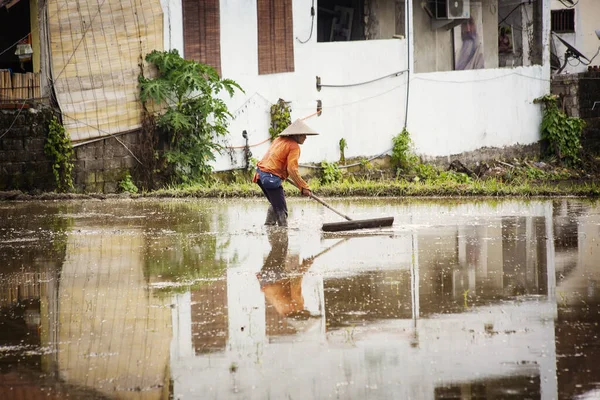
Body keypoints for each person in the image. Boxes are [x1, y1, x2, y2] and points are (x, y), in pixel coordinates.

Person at [253, 118, 319, 227]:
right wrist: (303, 187)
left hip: (261, 175)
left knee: (276, 204)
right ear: (296, 135)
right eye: (303, 135)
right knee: (281, 209)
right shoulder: (294, 146)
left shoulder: (278, 140)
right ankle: (282, 233)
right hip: (270, 178)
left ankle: (269, 228)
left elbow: (274, 160)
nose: (306, 137)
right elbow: (292, 169)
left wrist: (281, 173)